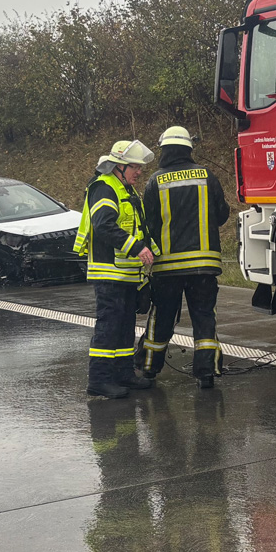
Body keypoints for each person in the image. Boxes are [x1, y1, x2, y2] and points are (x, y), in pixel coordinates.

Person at [136, 126, 230, 389]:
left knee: (162, 316)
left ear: (164, 150)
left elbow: (148, 224)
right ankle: (206, 373)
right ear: (189, 148)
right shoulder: (207, 176)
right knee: (204, 317)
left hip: (167, 268)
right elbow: (222, 214)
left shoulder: (155, 181)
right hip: (204, 265)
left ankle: (149, 369)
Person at [72, 140, 160, 398]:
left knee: (124, 326)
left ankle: (123, 374)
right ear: (119, 167)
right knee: (108, 326)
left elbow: (139, 229)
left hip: (125, 274)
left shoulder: (127, 191)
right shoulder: (104, 188)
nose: (139, 172)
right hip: (109, 273)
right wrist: (136, 248)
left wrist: (152, 250)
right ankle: (99, 380)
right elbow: (103, 226)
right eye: (135, 166)